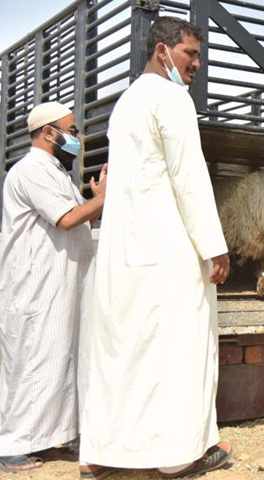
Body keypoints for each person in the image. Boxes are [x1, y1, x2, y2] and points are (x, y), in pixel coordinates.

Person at [79, 17, 232, 479]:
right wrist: (214, 245)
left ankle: (102, 453)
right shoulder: (172, 99)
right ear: (163, 50)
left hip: (124, 249)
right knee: (179, 346)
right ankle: (176, 457)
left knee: (121, 350)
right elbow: (189, 177)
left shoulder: (126, 102)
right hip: (168, 248)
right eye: (191, 54)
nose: (197, 65)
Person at [0, 102, 106, 472]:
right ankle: (13, 445)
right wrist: (101, 199)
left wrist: (92, 200)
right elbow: (66, 219)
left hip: (58, 285)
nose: (77, 138)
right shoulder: (31, 170)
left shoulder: (55, 172)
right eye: (72, 130)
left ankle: (48, 437)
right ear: (49, 133)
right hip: (36, 286)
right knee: (33, 361)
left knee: (57, 360)